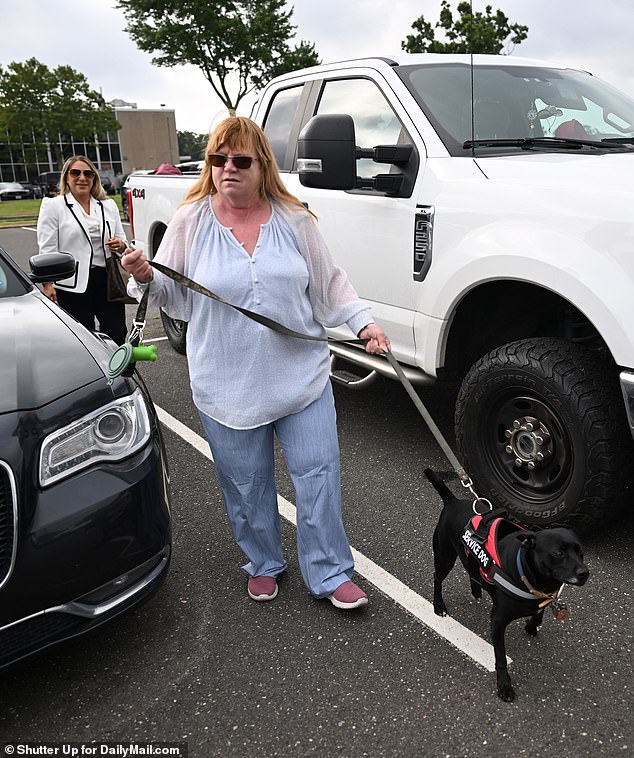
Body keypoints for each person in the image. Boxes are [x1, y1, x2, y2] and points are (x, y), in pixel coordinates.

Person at [122, 116, 390, 610]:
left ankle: (330, 571)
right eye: (217, 159)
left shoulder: (294, 219)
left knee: (319, 476)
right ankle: (263, 562)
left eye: (240, 160)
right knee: (245, 486)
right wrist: (142, 275)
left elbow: (330, 284)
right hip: (226, 385)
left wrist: (363, 324)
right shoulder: (191, 221)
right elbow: (169, 292)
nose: (228, 169)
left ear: (261, 164)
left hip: (302, 377)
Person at [36, 155, 129, 344]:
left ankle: (120, 372)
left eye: (88, 173)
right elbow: (47, 249)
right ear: (66, 177)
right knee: (83, 338)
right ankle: (96, 374)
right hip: (72, 284)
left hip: (107, 281)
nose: (82, 177)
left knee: (117, 332)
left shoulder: (107, 206)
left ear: (94, 178)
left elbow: (124, 242)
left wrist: (120, 244)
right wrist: (47, 284)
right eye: (75, 172)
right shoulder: (54, 206)